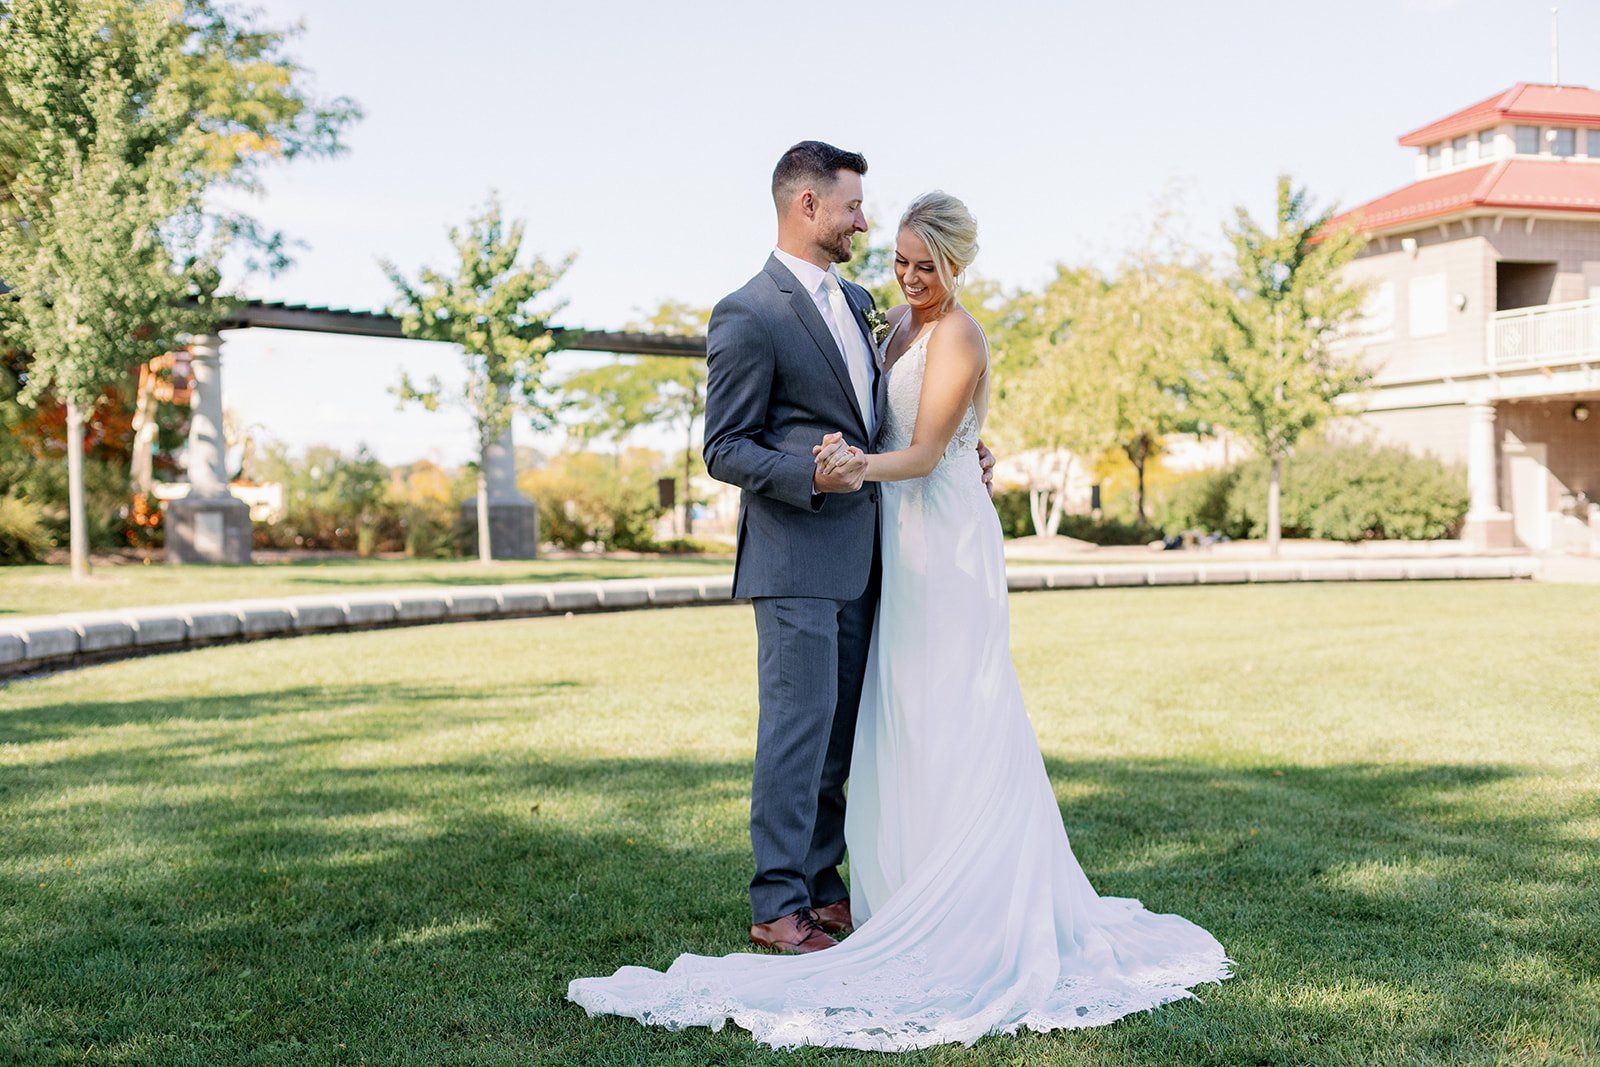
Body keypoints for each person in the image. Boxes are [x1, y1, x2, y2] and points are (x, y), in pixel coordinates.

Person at [568, 171, 1229, 1053]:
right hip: (811, 549)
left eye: (921, 261)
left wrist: (956, 450)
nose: (884, 245)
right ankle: (781, 905)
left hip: (914, 545)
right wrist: (829, 469)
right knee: (804, 730)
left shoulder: (867, 304)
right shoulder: (754, 312)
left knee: (894, 718)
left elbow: (913, 435)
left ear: (952, 264)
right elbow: (727, 446)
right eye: (860, 216)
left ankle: (853, 887)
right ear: (810, 204)